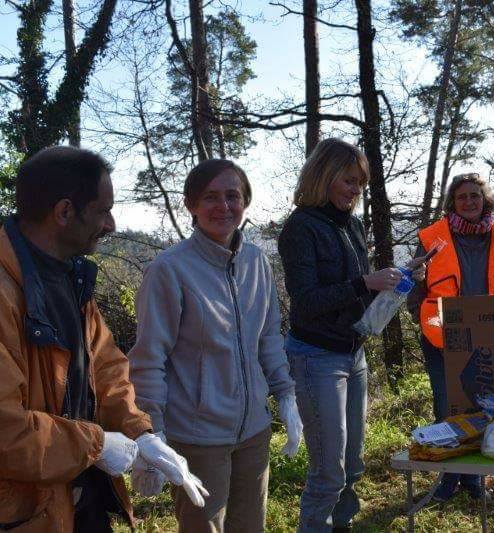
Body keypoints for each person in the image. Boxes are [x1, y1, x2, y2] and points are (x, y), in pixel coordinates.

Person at [0, 146, 204, 533]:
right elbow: (5, 431)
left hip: (79, 497)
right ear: (63, 212)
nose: (110, 224)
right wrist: (96, 445)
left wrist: (140, 434)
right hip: (24, 512)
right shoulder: (5, 292)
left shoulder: (71, 276)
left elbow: (106, 366)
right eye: (102, 210)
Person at [129, 159, 301, 532]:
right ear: (191, 205)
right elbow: (149, 358)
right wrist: (151, 431)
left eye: (232, 196)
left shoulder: (257, 262)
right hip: (197, 435)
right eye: (210, 197)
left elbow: (268, 337)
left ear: (245, 202)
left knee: (250, 526)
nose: (223, 207)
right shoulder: (170, 269)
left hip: (254, 430)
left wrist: (285, 396)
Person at [278, 138, 425, 532]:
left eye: (360, 184)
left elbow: (361, 288)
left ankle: (340, 526)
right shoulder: (300, 227)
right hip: (315, 357)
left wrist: (397, 280)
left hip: (353, 353)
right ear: (324, 176)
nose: (356, 191)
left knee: (353, 464)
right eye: (348, 181)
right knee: (329, 469)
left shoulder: (353, 225)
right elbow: (306, 301)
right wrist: (366, 282)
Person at [407, 172, 494, 502]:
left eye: (475, 195)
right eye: (462, 197)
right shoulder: (433, 237)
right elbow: (414, 288)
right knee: (448, 408)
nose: (469, 201)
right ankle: (450, 477)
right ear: (453, 202)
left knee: (485, 409)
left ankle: (474, 478)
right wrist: (425, 319)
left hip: (493, 339)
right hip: (443, 340)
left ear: (485, 199)